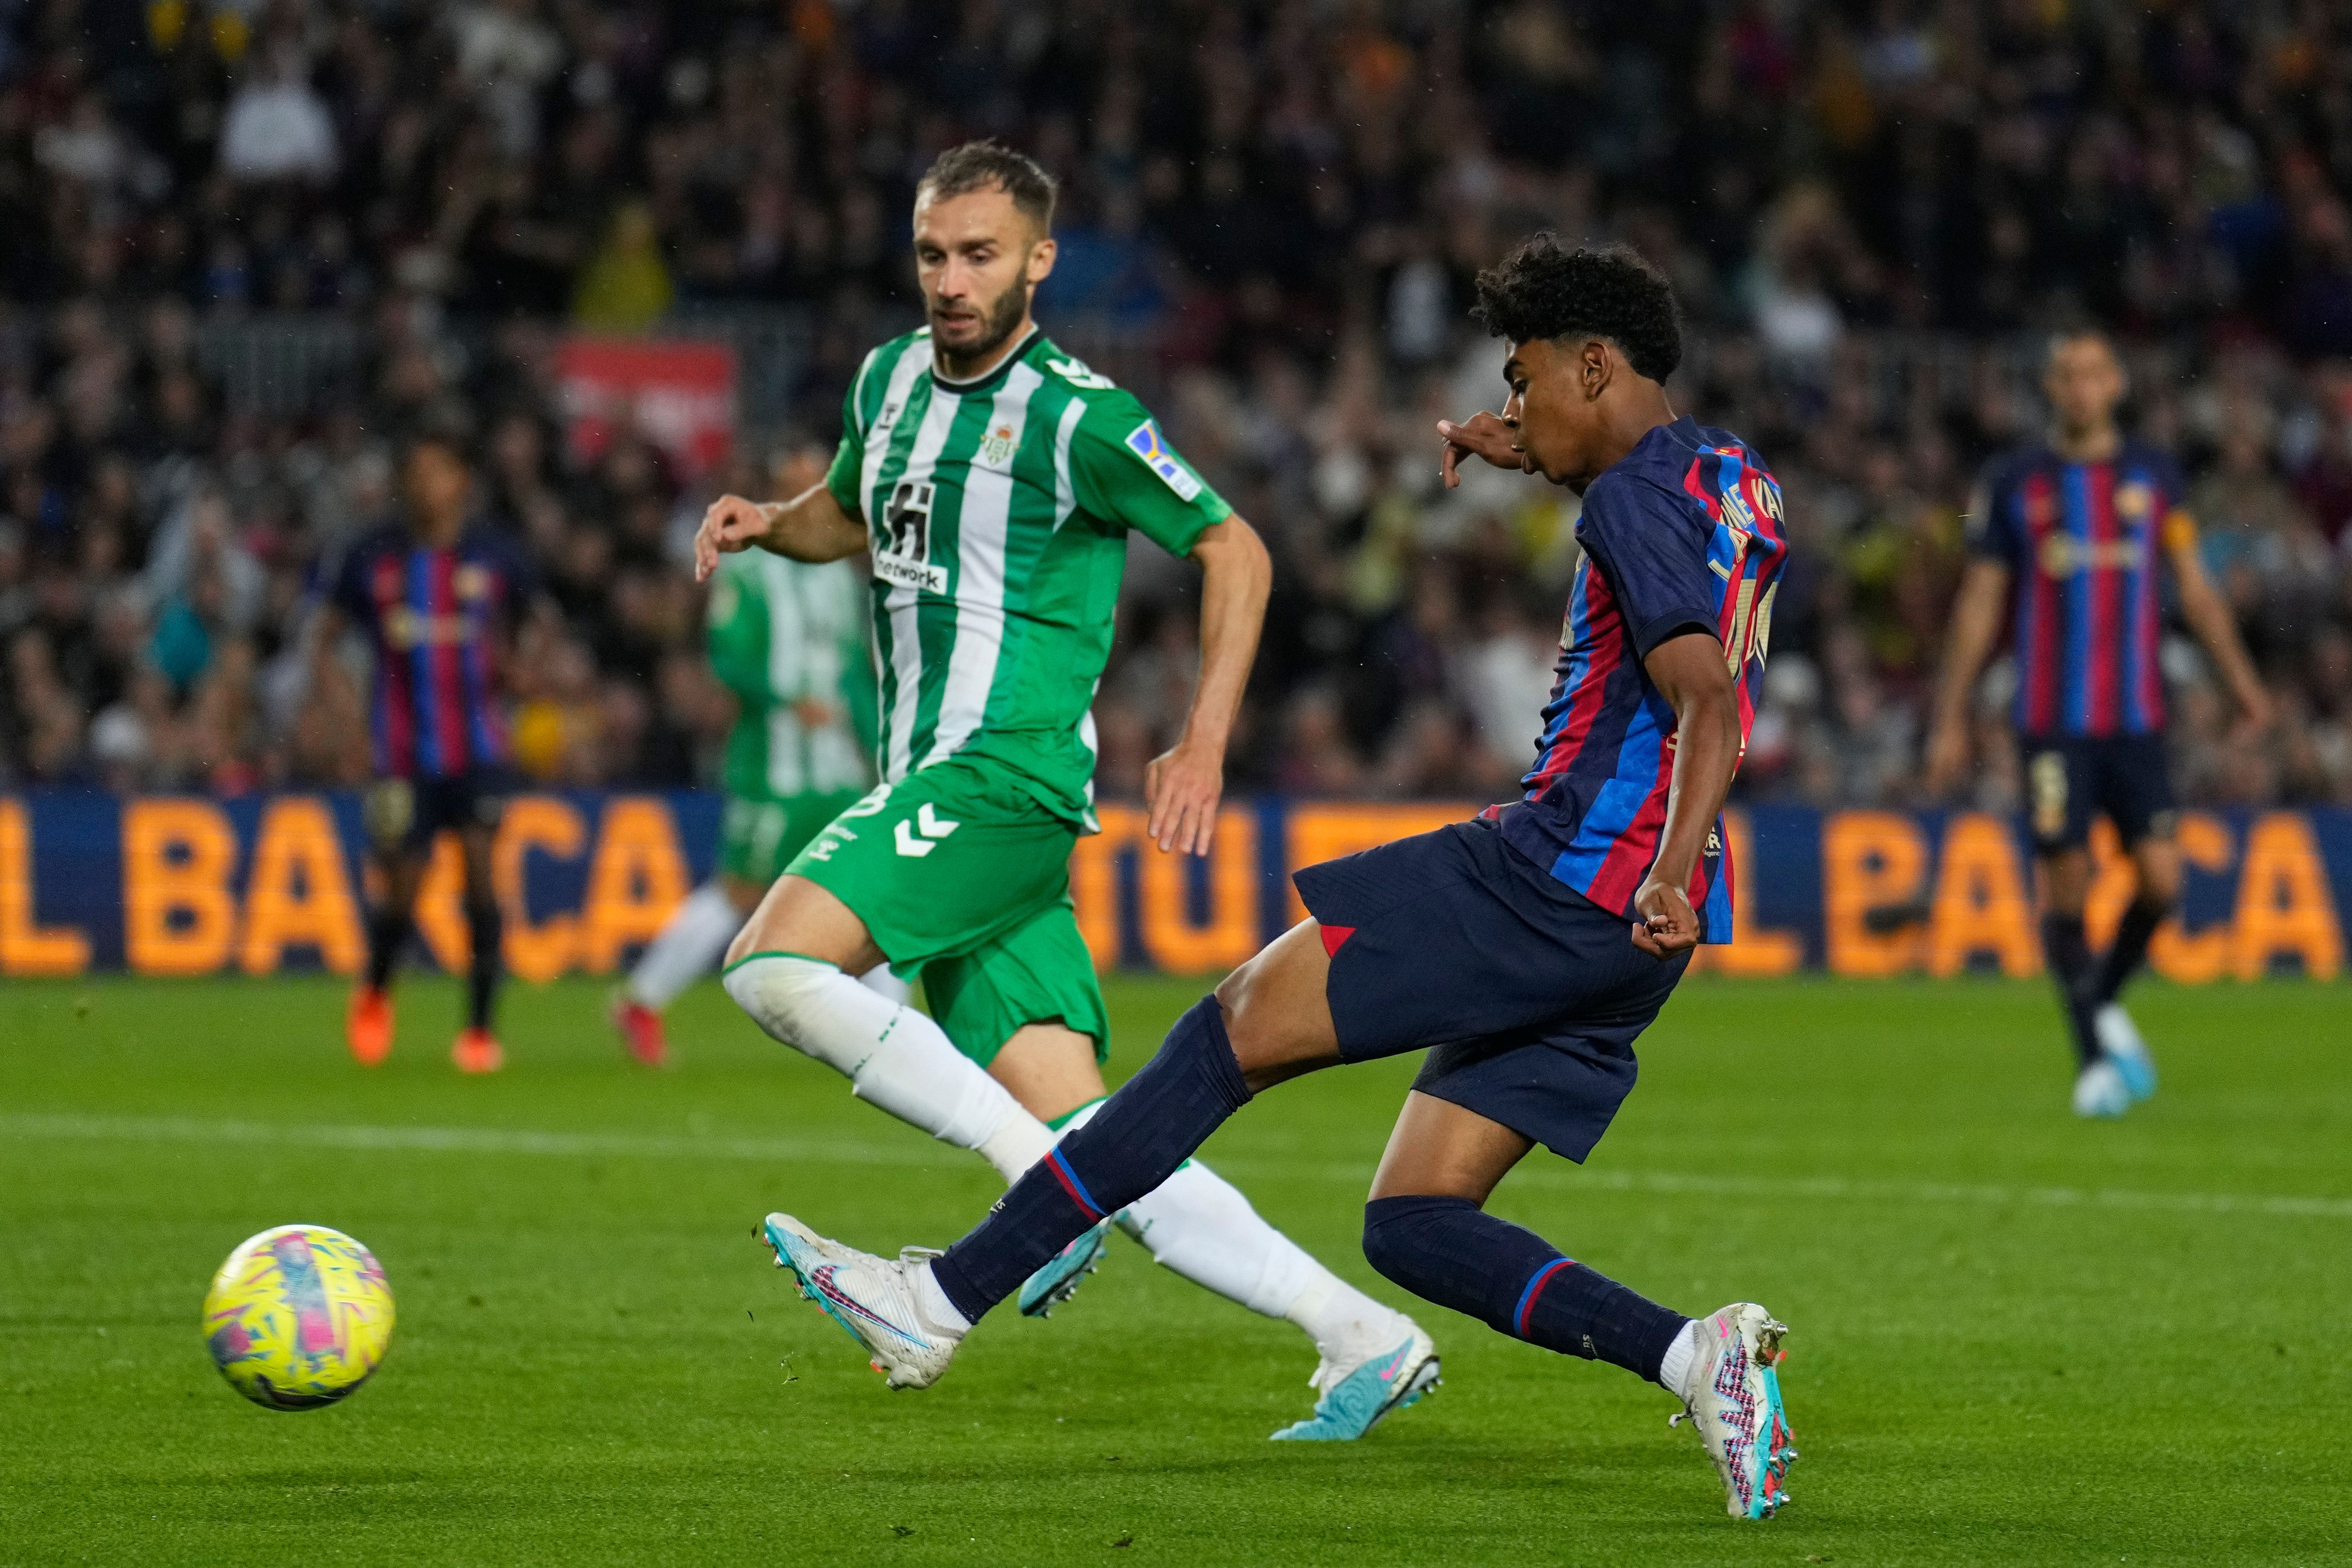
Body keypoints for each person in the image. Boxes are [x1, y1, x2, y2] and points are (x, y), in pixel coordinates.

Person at [751, 238, 1802, 1521]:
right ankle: (1704, 1358)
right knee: (1414, 1219)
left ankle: (936, 1300)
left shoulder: (1628, 501)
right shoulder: (1727, 473)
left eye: (1525, 381)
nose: (1513, 407)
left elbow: (1703, 700)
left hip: (1567, 871)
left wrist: (1670, 864)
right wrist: (1540, 444)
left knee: (1230, 1029)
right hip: (1627, 933)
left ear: (1595, 363)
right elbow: (1684, 572)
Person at [693, 140, 1433, 1440]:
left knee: (771, 964)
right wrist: (773, 515)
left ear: (1040, 257)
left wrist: (1202, 739)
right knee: (1105, 1135)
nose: (951, 280)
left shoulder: (1078, 415)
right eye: (933, 253)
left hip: (1002, 772)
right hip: (943, 781)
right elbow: (857, 510)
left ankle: (990, 1233)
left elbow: (1234, 546)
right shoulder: (888, 379)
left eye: (980, 254)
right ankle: (1359, 1331)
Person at [1925, 331, 2269, 1117]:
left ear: (2115, 382)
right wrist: (1948, 715)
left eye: (2091, 373)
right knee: (2066, 887)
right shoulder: (2017, 481)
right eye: (2065, 376)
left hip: (2136, 719)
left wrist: (2244, 685)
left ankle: (2102, 1000)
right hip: (2051, 722)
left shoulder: (2155, 477)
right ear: (2050, 387)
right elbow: (1980, 604)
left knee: (2161, 880)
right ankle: (2090, 1062)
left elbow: (2195, 589)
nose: (2079, 388)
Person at [609, 446, 902, 1068]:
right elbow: (726, 657)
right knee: (741, 890)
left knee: (873, 889)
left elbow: (853, 669)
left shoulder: (836, 572)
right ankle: (641, 1000)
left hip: (838, 767)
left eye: (818, 482)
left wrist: (878, 743)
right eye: (796, 482)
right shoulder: (747, 574)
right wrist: (784, 698)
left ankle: (896, 1034)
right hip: (772, 765)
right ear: (778, 491)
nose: (813, 493)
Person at [328, 423, 536, 1073]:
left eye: (439, 471)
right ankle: (377, 989)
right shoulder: (372, 558)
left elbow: (526, 632)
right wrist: (339, 716)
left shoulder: (497, 557)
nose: (427, 485)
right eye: (416, 473)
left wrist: (523, 675)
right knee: (403, 890)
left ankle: (478, 1029)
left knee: (480, 879)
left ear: (462, 482)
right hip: (400, 754)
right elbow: (326, 638)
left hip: (478, 749)